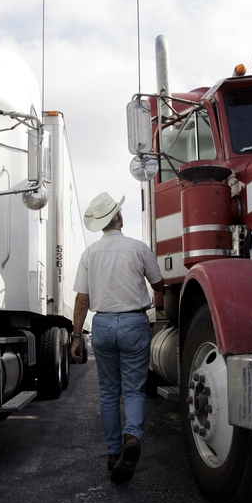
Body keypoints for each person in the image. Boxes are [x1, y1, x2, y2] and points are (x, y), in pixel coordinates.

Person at [71, 192, 164, 484]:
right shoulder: (138, 248)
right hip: (134, 322)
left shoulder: (89, 254)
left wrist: (76, 336)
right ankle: (132, 437)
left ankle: (113, 453)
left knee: (109, 391)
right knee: (134, 390)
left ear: (100, 224)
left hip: (102, 324)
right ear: (120, 217)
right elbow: (159, 283)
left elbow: (82, 300)